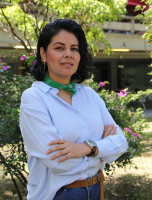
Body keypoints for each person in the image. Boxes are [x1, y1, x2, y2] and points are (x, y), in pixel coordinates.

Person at [19, 19, 128, 200]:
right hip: (59, 194)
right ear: (44, 54)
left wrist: (86, 148)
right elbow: (59, 163)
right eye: (60, 48)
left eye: (74, 49)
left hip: (95, 189)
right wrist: (102, 152)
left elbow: (121, 143)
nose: (68, 54)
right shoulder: (34, 98)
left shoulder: (90, 95)